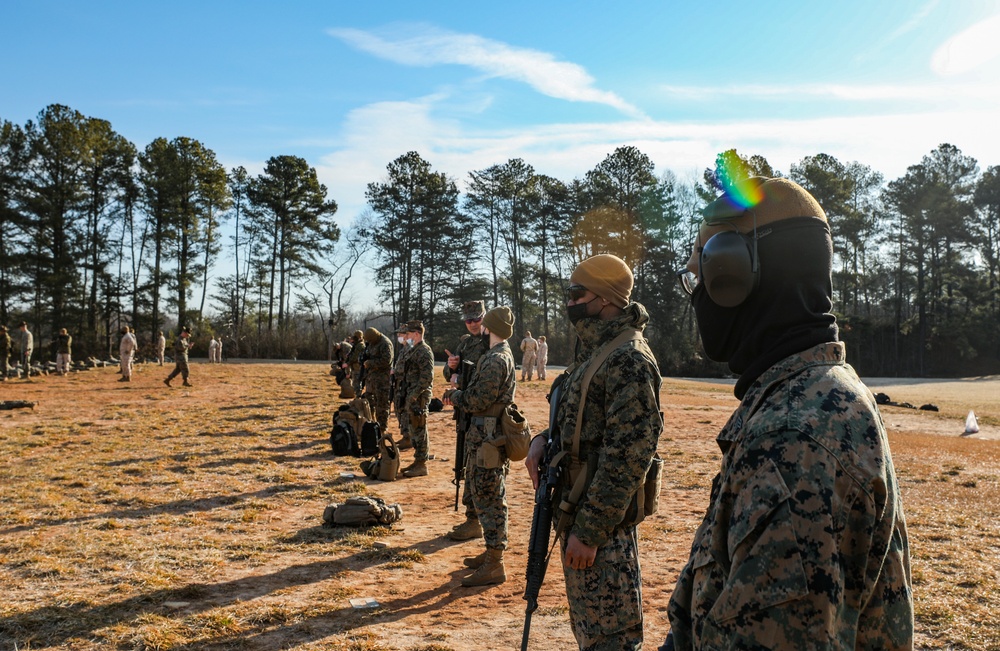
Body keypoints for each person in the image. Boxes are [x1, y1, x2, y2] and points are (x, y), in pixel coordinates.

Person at [663, 176, 913, 650]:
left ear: (734, 274)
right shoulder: (812, 397)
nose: (697, 296)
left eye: (702, 275)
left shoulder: (794, 438)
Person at [525, 254, 662, 651]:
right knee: (590, 632)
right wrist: (541, 439)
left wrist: (589, 532)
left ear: (604, 299)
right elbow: (579, 420)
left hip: (601, 528)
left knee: (610, 638)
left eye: (576, 294)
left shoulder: (628, 359)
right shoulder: (595, 349)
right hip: (575, 506)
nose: (570, 302)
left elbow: (628, 457)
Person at [443, 305, 517, 586]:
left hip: (489, 437)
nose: (479, 328)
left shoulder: (496, 359)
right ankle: (490, 553)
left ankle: (495, 562)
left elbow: (478, 400)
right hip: (484, 435)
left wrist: (456, 395)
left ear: (490, 328)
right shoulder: (495, 355)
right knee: (484, 494)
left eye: (483, 324)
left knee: (491, 498)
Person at [443, 300, 491, 541]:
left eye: (476, 319)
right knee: (465, 461)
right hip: (465, 410)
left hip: (482, 411)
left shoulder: (491, 342)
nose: (472, 324)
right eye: (468, 320)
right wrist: (451, 366)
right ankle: (471, 518)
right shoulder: (464, 343)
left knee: (479, 467)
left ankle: (476, 520)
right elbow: (450, 372)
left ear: (484, 317)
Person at [400, 320, 435, 478]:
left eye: (408, 334)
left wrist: (414, 394)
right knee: (414, 428)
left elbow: (427, 377)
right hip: (412, 394)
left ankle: (422, 464)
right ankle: (417, 460)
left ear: (416, 334)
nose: (406, 336)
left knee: (419, 428)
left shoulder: (424, 351)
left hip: (419, 396)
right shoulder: (415, 350)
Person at [362, 326, 394, 434]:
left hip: (382, 380)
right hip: (371, 378)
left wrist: (370, 363)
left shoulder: (385, 343)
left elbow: (386, 361)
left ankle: (382, 428)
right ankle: (371, 424)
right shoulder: (371, 343)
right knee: (368, 401)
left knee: (381, 404)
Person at [391, 325, 412, 449]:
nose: (399, 337)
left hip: (406, 385)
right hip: (399, 385)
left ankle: (408, 438)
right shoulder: (403, 349)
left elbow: (407, 368)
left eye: (401, 334)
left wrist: (396, 371)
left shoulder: (411, 349)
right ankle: (405, 436)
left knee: (405, 413)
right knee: (400, 410)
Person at [346, 330, 366, 396]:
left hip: (358, 367)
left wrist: (348, 363)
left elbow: (355, 357)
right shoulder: (357, 345)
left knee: (357, 383)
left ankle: (358, 398)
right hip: (355, 367)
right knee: (355, 383)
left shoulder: (360, 345)